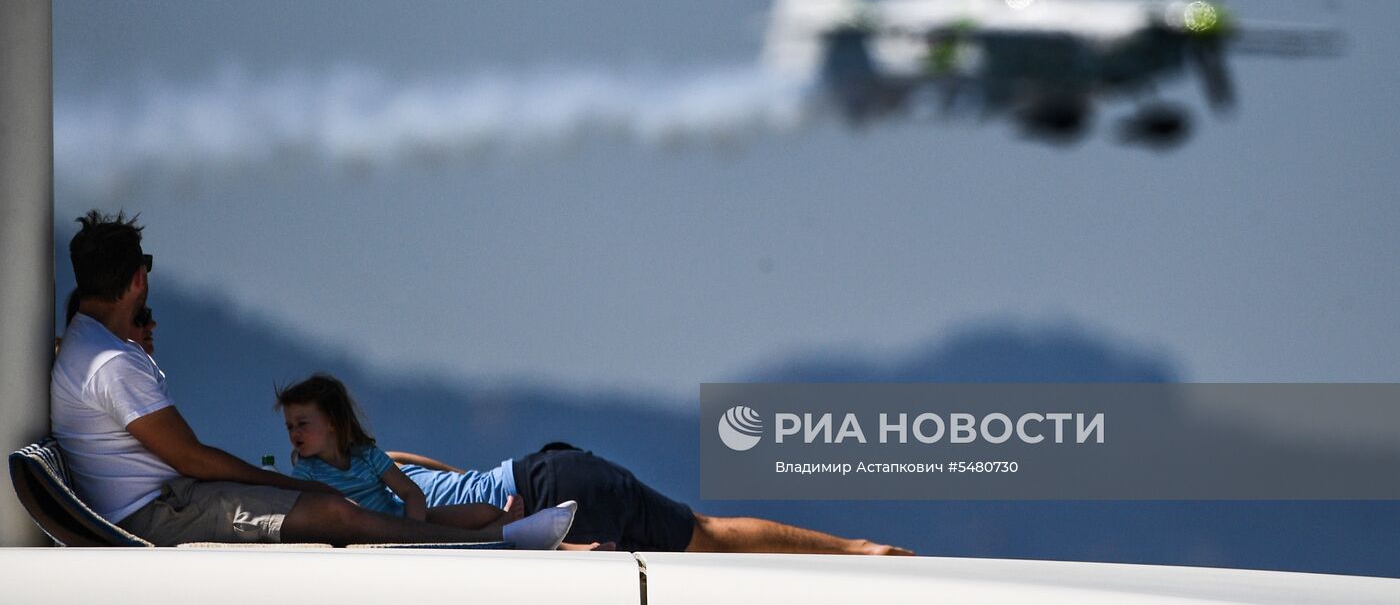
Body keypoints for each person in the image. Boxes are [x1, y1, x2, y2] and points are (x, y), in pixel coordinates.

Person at [51, 210, 574, 549]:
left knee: (337, 507)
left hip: (167, 500)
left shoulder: (84, 343)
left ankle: (492, 535)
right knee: (334, 513)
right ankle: (493, 543)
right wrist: (285, 484)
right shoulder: (112, 364)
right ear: (139, 279)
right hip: (160, 513)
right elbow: (192, 459)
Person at [387, 446, 913, 555]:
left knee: (706, 542)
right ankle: (857, 550)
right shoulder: (376, 460)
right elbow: (454, 472)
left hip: (545, 503)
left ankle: (859, 554)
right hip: (547, 469)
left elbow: (448, 531)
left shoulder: (358, 520)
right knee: (706, 536)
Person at [276, 374, 556, 534]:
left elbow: (411, 493)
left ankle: (498, 526)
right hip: (368, 534)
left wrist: (413, 527)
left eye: (302, 424)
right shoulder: (306, 473)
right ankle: (495, 534)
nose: (294, 433)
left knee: (485, 510)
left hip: (406, 522)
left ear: (333, 423)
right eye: (290, 426)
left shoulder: (366, 455)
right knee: (474, 527)